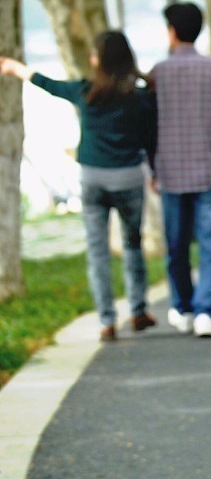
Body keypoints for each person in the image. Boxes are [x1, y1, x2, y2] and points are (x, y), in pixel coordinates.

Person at [1, 34, 156, 342]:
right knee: (132, 244)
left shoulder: (86, 92)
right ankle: (138, 309)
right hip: (128, 178)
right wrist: (155, 172)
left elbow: (49, 84)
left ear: (99, 60)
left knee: (97, 251)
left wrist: (17, 69)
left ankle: (107, 320)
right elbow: (151, 139)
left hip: (93, 179)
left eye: (94, 54)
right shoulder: (139, 98)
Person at [149, 1, 211, 339]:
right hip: (209, 172)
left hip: (170, 173)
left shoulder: (157, 73)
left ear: (172, 32)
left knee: (176, 246)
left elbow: (148, 127)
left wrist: (151, 169)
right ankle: (206, 311)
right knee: (210, 246)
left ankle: (183, 307)